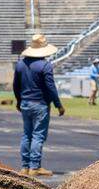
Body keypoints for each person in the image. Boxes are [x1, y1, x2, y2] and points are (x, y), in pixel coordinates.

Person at [14, 33, 65, 178]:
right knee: (38, 135)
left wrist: (19, 101)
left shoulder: (20, 64)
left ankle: (25, 167)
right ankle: (35, 167)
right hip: (40, 104)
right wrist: (58, 105)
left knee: (26, 135)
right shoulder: (45, 65)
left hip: (25, 103)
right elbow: (51, 87)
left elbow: (15, 86)